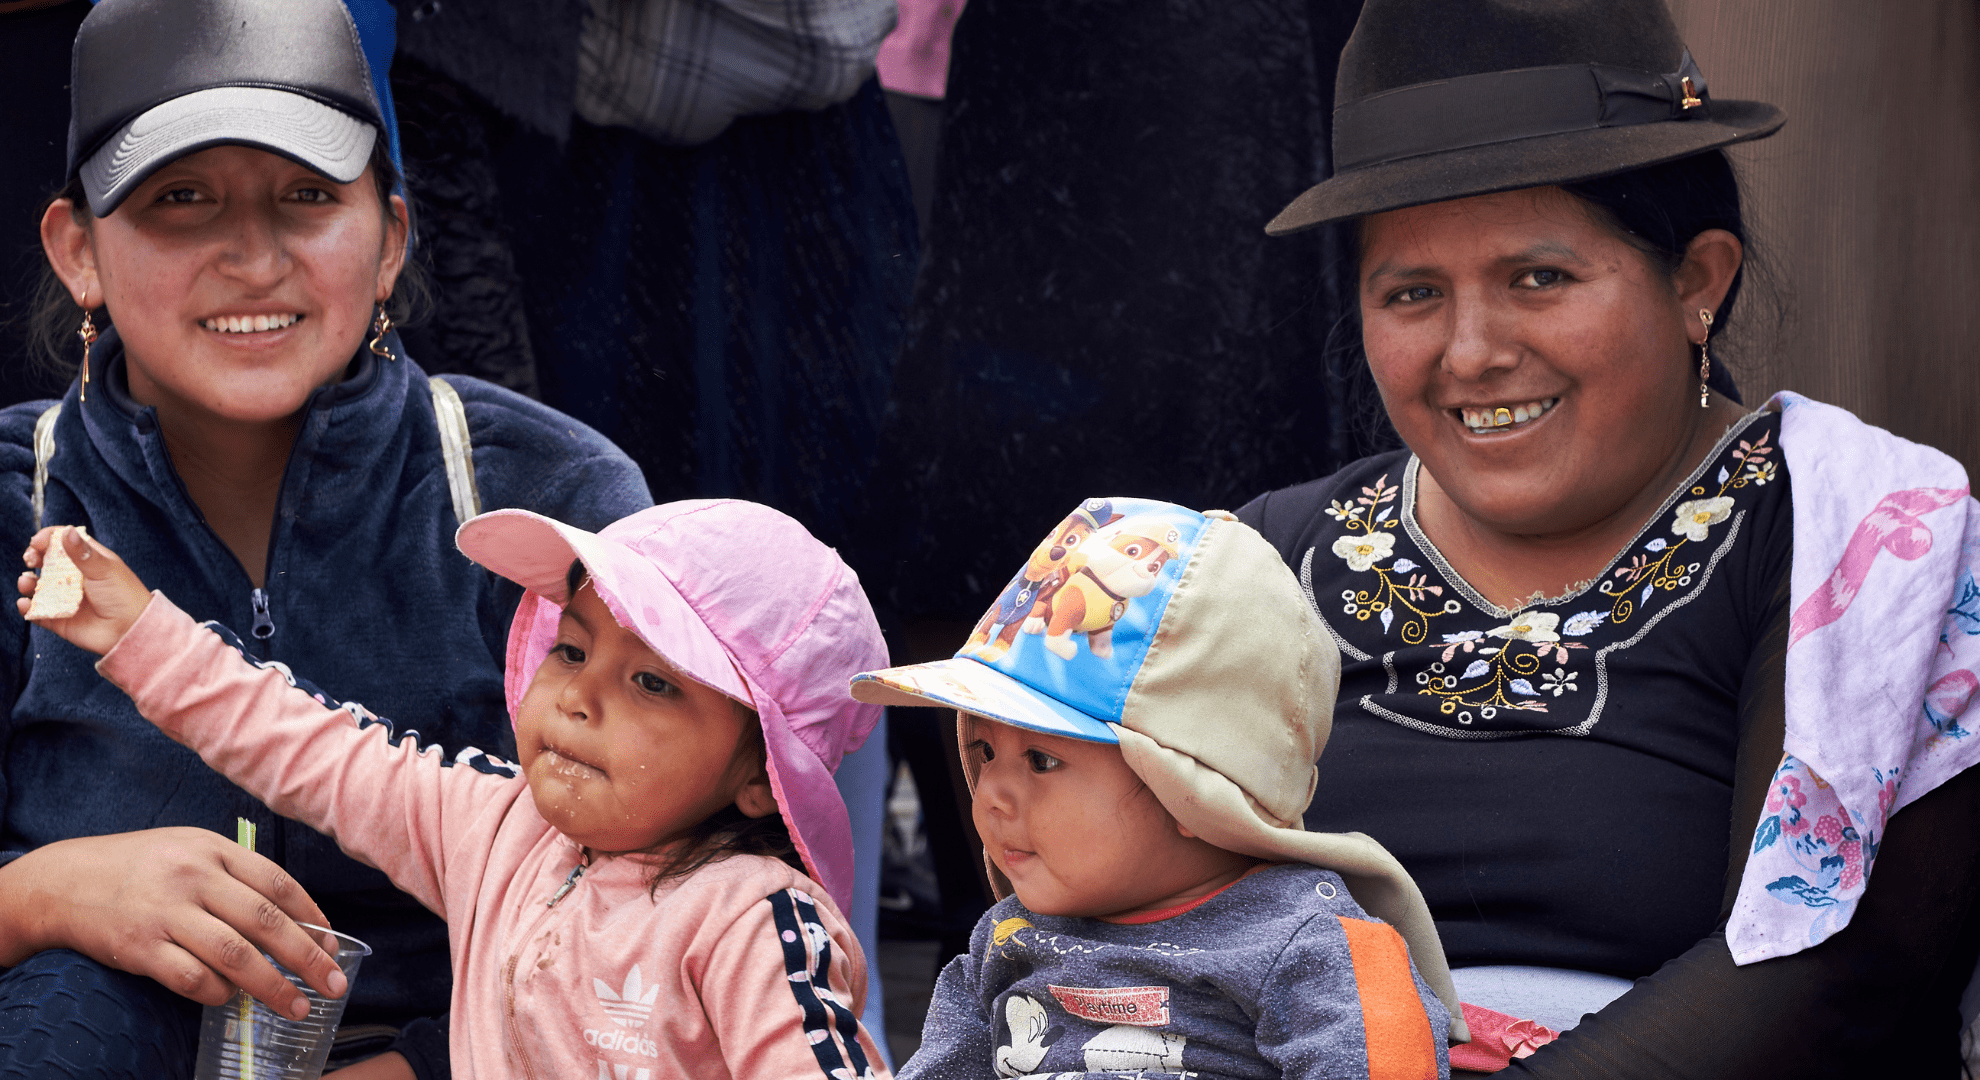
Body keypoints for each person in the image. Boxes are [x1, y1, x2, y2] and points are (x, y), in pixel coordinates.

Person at [1236, 0, 1980, 1074]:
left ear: (1698, 281)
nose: (1473, 350)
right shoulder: (1267, 559)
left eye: (1539, 278)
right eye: (1412, 293)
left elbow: (1833, 964)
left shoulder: (1852, 539)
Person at [0, 0, 651, 1076]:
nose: (255, 257)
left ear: (391, 238)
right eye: (181, 200)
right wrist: (50, 894)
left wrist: (430, 1065)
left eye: (307, 197)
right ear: (78, 251)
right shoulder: (17, 498)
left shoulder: (550, 494)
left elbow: (682, 886)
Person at [19, 500, 889, 1078]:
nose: (580, 697)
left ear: (758, 774)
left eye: (654, 684)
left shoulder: (756, 921)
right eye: (573, 650)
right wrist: (138, 631)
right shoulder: (492, 824)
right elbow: (307, 744)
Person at [851, 497, 1462, 1079]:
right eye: (983, 751)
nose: (990, 796)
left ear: (1193, 793)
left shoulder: (1308, 945)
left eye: (1041, 760)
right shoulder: (1003, 942)